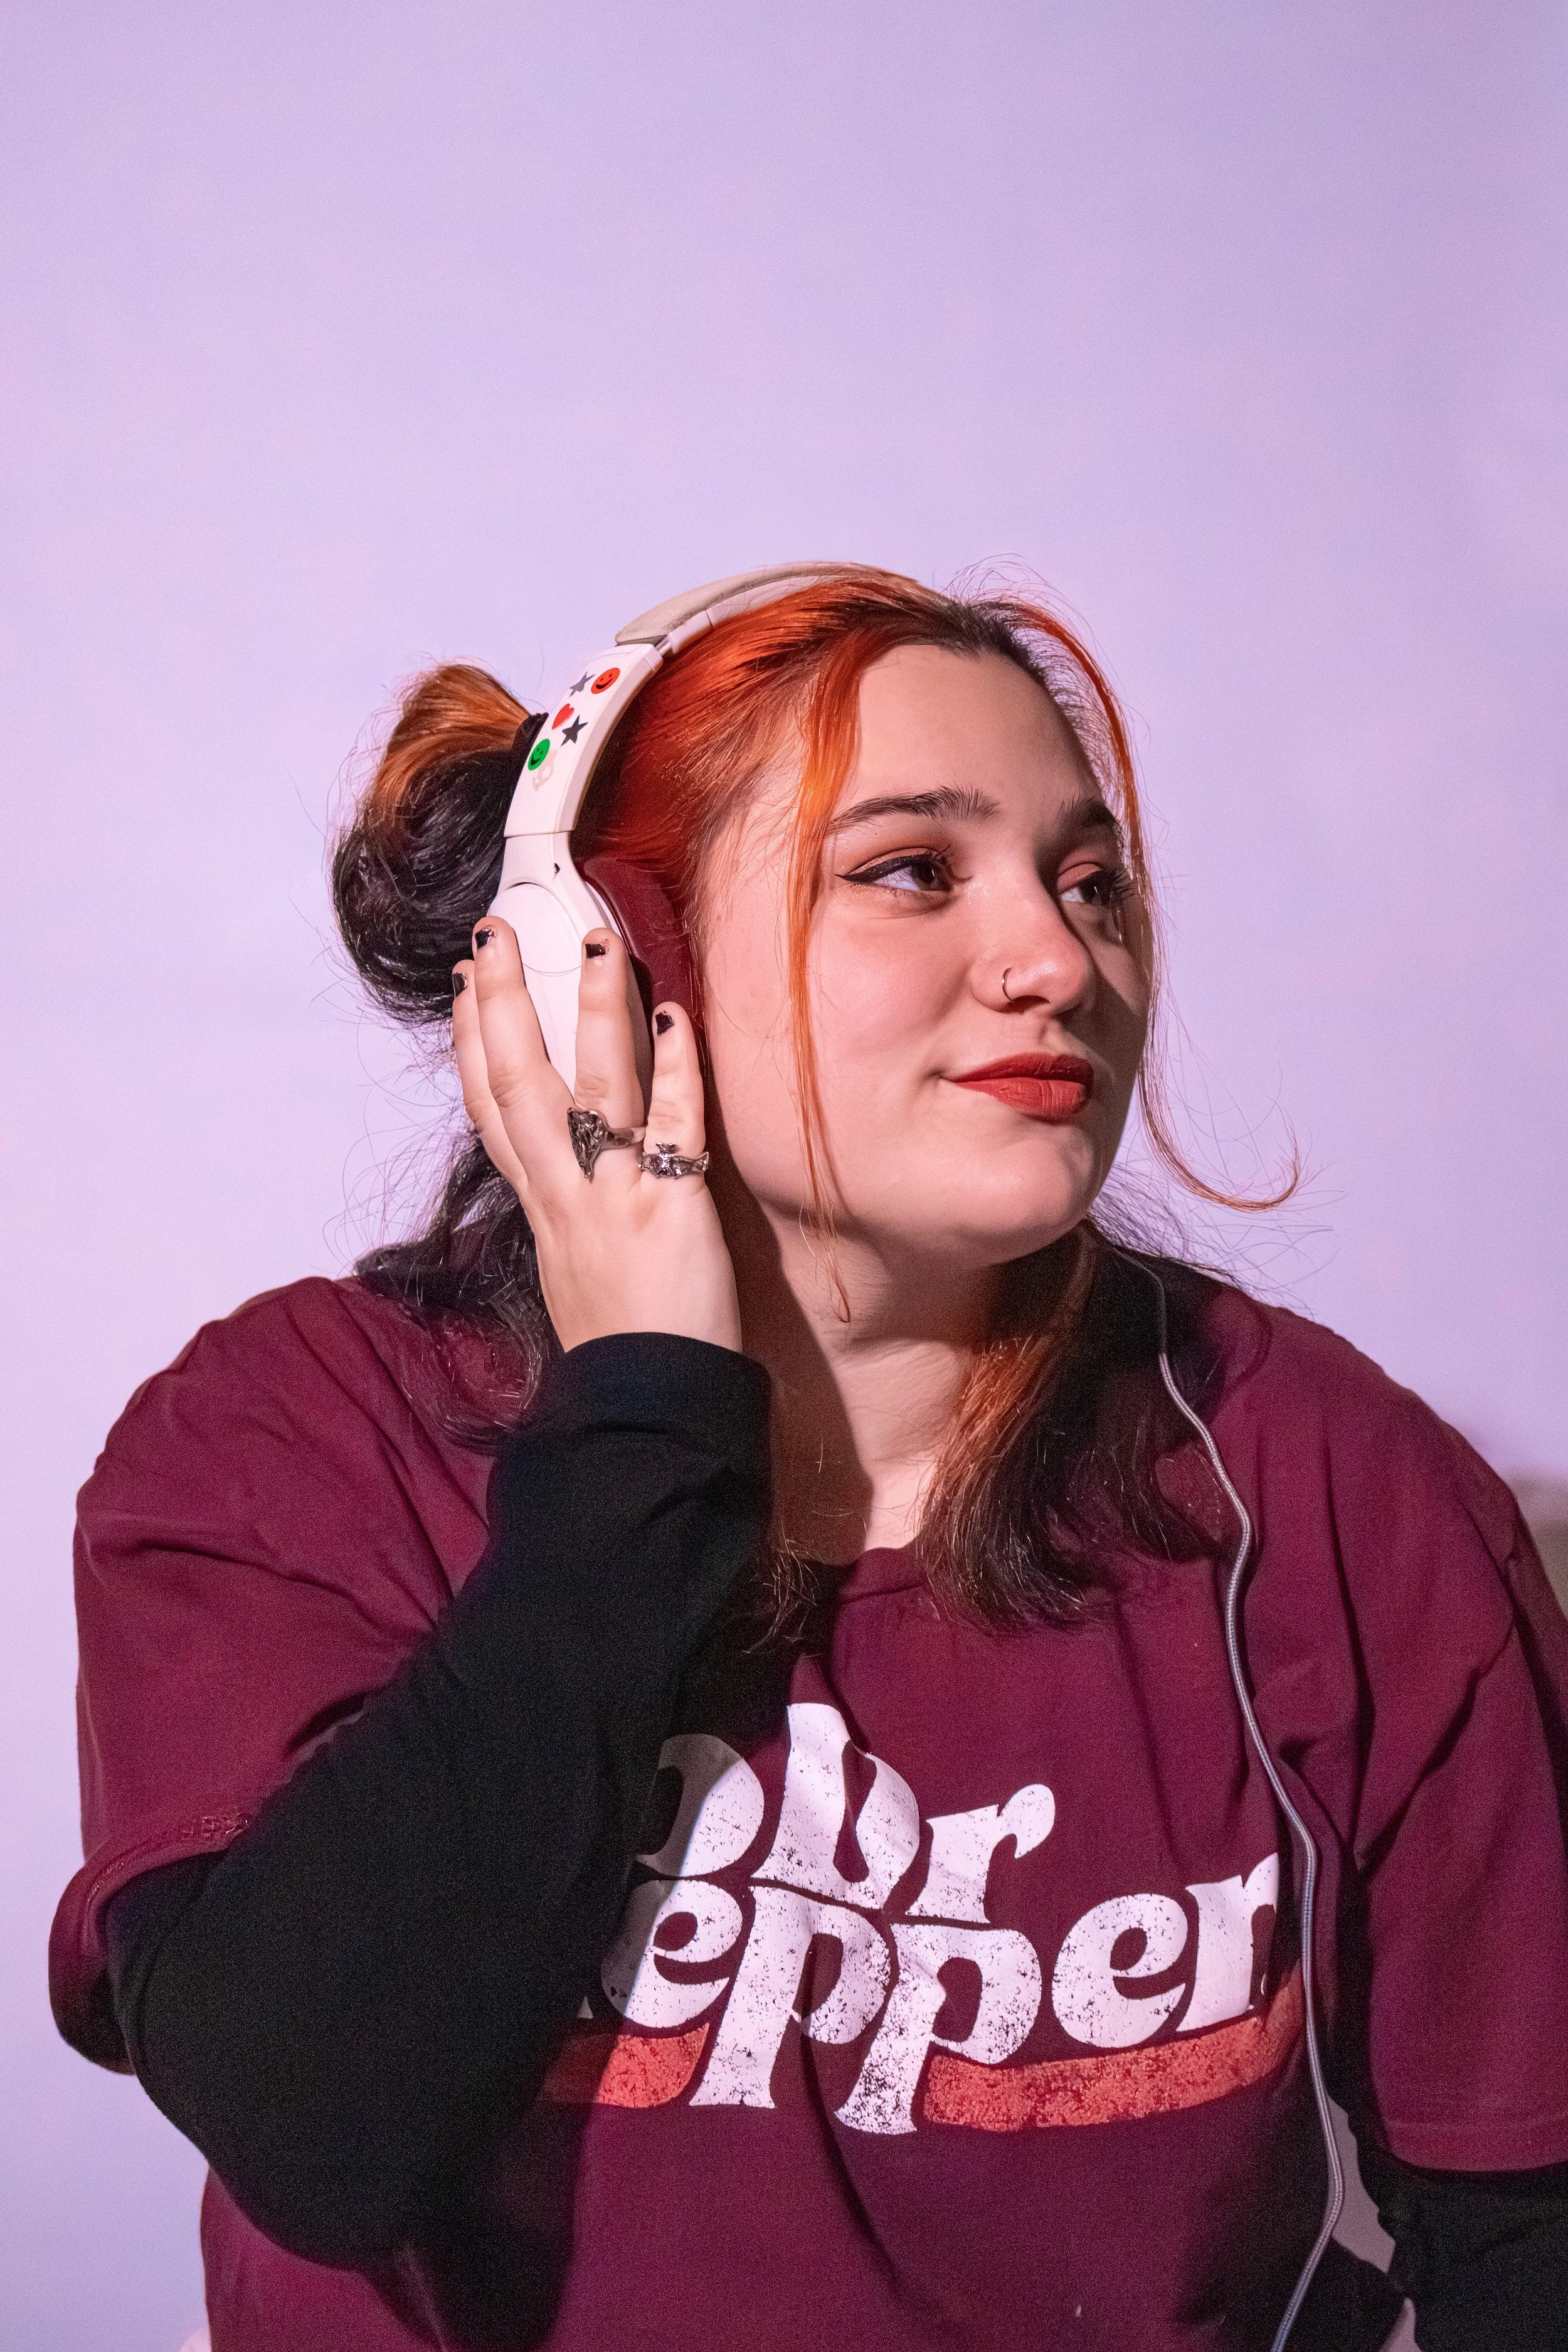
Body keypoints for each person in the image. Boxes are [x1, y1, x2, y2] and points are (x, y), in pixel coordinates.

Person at [50, 570, 1568, 2351]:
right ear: (607, 961)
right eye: (913, 870)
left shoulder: (1329, 1489)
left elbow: (1522, 2246)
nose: (1058, 961)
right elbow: (317, 2126)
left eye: (1090, 882)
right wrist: (640, 1417)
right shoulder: (289, 1440)